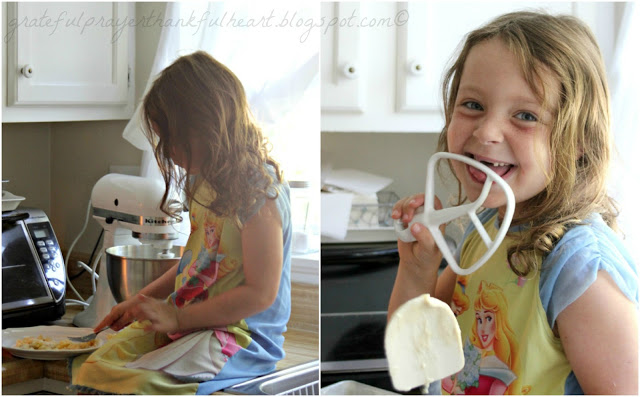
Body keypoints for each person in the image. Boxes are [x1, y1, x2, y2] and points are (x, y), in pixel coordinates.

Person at [389, 11, 638, 395]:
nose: (486, 132)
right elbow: (414, 358)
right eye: (472, 104)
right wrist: (416, 269)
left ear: (579, 141)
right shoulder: (484, 227)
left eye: (525, 115)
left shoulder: (579, 267)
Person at [71, 51, 292, 395]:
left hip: (239, 338)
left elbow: (261, 293)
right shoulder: (200, 182)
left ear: (208, 124)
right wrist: (141, 300)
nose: (167, 149)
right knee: (95, 367)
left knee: (140, 383)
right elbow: (197, 266)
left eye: (172, 138)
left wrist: (178, 318)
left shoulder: (258, 190)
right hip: (191, 325)